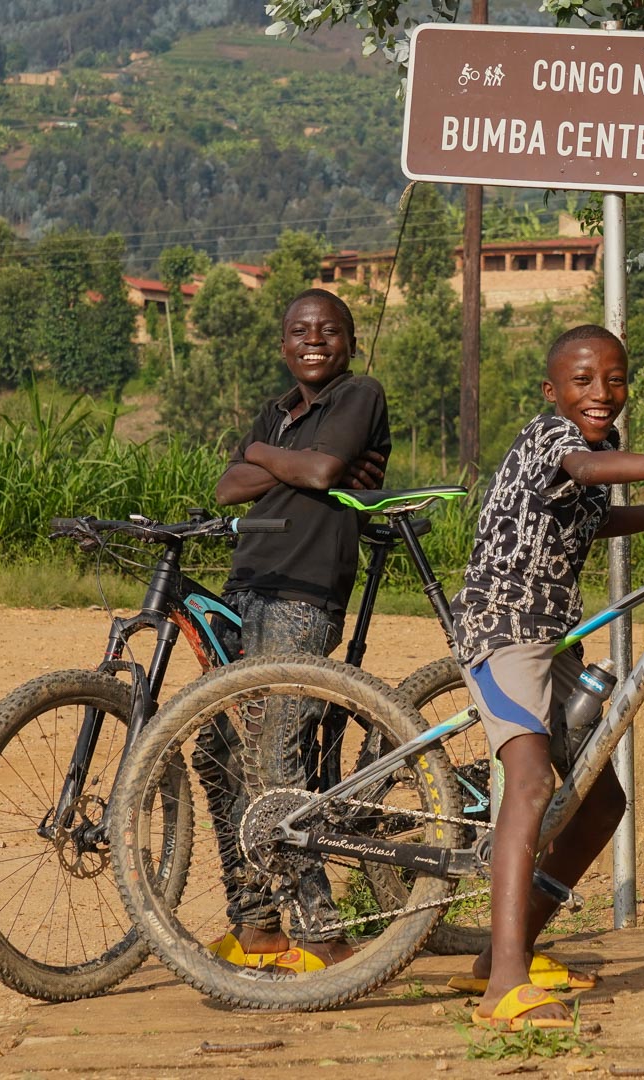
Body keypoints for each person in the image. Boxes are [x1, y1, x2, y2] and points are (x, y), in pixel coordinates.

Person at [448, 324, 644, 1030]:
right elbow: (580, 476)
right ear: (553, 392)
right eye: (583, 381)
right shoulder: (551, 440)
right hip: (504, 629)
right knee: (530, 784)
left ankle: (501, 953)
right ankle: (505, 991)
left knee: (601, 802)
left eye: (613, 380)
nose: (600, 394)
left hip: (552, 638)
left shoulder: (601, 448)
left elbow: (593, 519)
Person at [198, 287, 389, 972]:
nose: (314, 340)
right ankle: (257, 923)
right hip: (246, 586)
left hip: (304, 593)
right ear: (283, 343)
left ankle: (322, 933)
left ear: (351, 340)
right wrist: (288, 461)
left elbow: (323, 470)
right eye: (300, 330)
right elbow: (228, 487)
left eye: (329, 330)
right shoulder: (276, 412)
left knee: (277, 756)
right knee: (216, 752)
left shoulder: (359, 395)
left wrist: (269, 459)